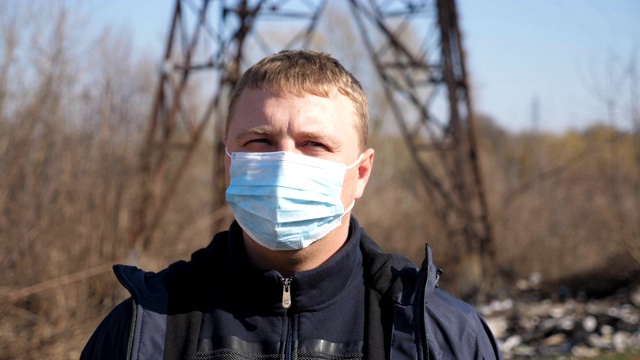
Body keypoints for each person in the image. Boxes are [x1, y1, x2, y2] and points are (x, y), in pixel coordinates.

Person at [81, 49, 503, 359]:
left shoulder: (440, 335)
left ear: (360, 173)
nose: (284, 164)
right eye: (259, 141)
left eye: (314, 144)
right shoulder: (146, 328)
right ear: (228, 162)